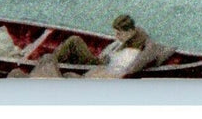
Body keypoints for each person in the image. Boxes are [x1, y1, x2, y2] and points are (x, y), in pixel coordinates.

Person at [14, 14, 168, 79]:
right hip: (103, 60)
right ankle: (54, 59)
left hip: (100, 66)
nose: (116, 37)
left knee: (74, 41)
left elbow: (117, 67)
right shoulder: (136, 35)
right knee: (72, 45)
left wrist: (108, 60)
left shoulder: (134, 50)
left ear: (129, 31)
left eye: (119, 34)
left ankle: (49, 62)